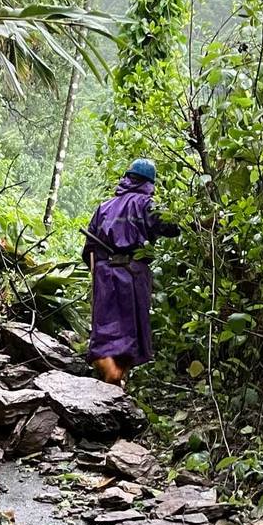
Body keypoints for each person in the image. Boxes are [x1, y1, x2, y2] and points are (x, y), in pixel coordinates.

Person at [82, 156, 179, 385]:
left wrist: (97, 277)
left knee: (104, 331)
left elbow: (90, 250)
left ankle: (113, 381)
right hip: (132, 276)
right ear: (149, 183)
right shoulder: (147, 205)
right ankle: (114, 377)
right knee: (130, 333)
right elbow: (173, 226)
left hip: (104, 275)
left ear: (128, 178)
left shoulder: (103, 208)